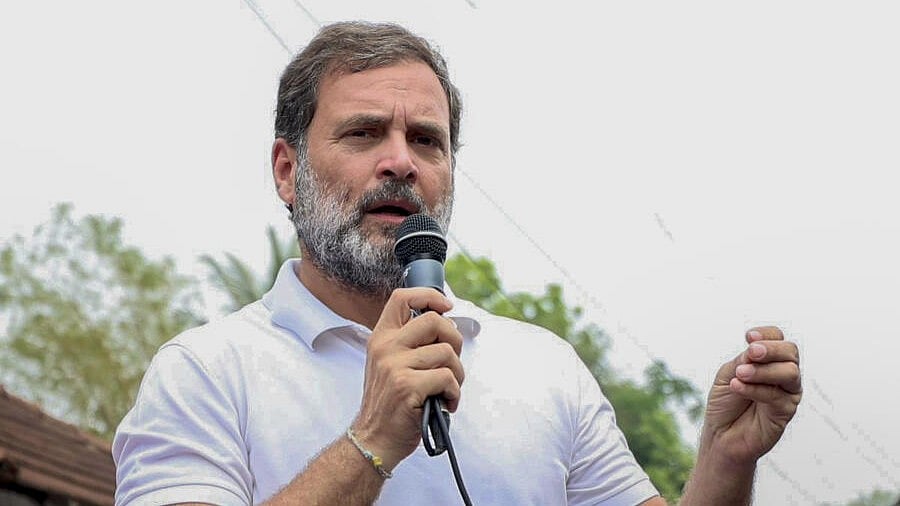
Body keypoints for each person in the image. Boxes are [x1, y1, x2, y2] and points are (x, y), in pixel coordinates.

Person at [112, 20, 802, 506]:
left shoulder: (547, 367)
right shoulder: (202, 373)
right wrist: (373, 439)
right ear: (287, 171)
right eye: (362, 133)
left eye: (426, 141)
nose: (400, 162)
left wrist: (724, 460)